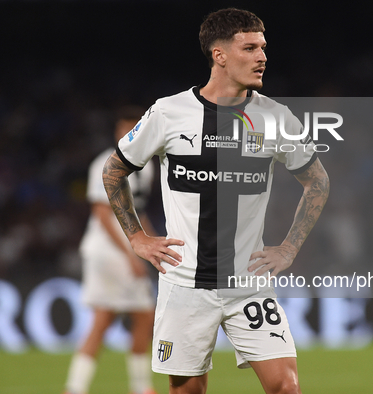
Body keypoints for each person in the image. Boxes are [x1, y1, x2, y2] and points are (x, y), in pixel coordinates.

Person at [102, 8, 329, 394]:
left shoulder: (276, 118)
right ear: (219, 55)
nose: (262, 57)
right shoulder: (169, 113)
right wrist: (137, 238)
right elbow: (114, 171)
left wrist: (289, 248)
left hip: (249, 285)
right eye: (250, 47)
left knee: (286, 386)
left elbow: (318, 182)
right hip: (185, 286)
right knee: (188, 391)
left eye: (264, 47)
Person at [63, 107, 158, 394]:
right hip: (107, 251)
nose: (129, 135)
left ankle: (78, 387)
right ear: (116, 132)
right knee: (117, 318)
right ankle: (138, 387)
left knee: (137, 317)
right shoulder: (104, 163)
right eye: (124, 130)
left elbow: (137, 212)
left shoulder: (147, 166)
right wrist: (132, 253)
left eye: (134, 129)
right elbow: (103, 215)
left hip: (127, 249)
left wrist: (154, 242)